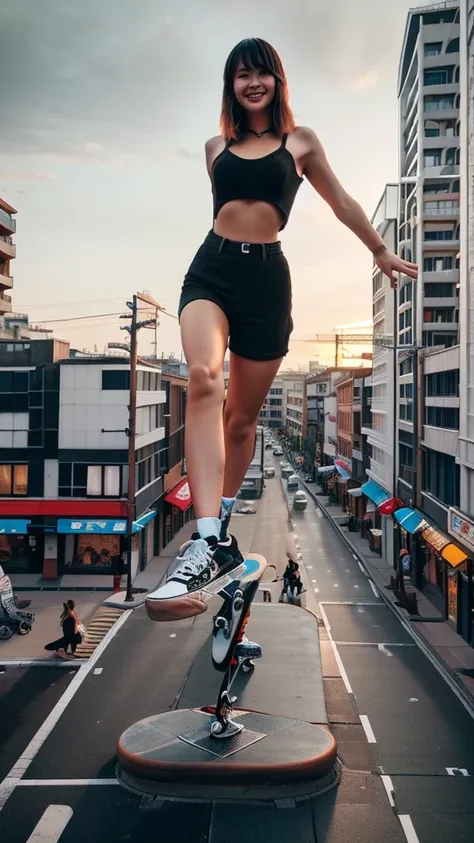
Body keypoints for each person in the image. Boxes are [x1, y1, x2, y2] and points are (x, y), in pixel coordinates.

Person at [147, 38, 417, 619]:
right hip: (211, 271)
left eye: (261, 73)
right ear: (231, 86)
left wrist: (379, 250)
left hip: (268, 283)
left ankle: (214, 534)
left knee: (240, 419)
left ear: (276, 81)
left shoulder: (301, 142)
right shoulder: (215, 147)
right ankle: (206, 538)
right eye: (241, 75)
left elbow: (341, 200)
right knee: (201, 378)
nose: (252, 83)